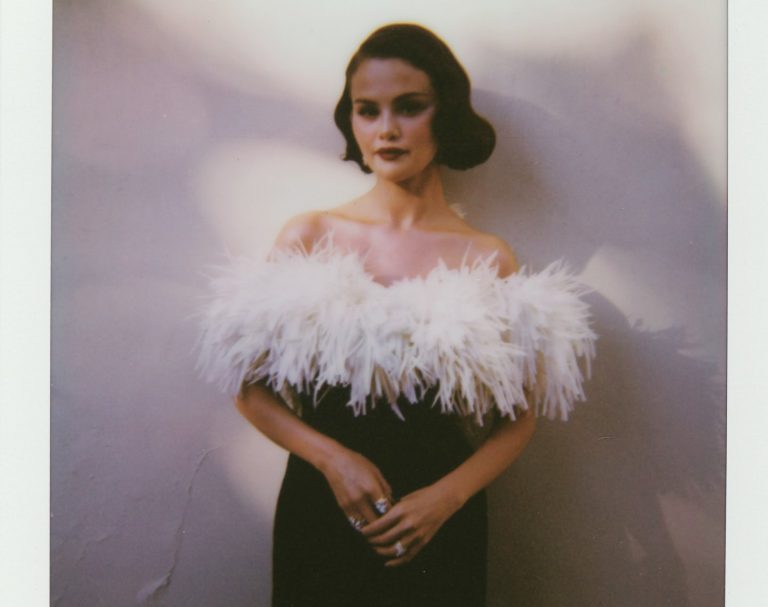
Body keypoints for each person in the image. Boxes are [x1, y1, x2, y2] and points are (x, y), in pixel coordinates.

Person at [197, 23, 596, 607]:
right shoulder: (309, 236)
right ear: (352, 121)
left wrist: (446, 499)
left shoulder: (487, 257)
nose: (386, 129)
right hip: (324, 506)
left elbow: (518, 420)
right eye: (368, 110)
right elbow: (249, 391)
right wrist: (333, 460)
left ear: (446, 115)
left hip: (440, 520)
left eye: (409, 107)